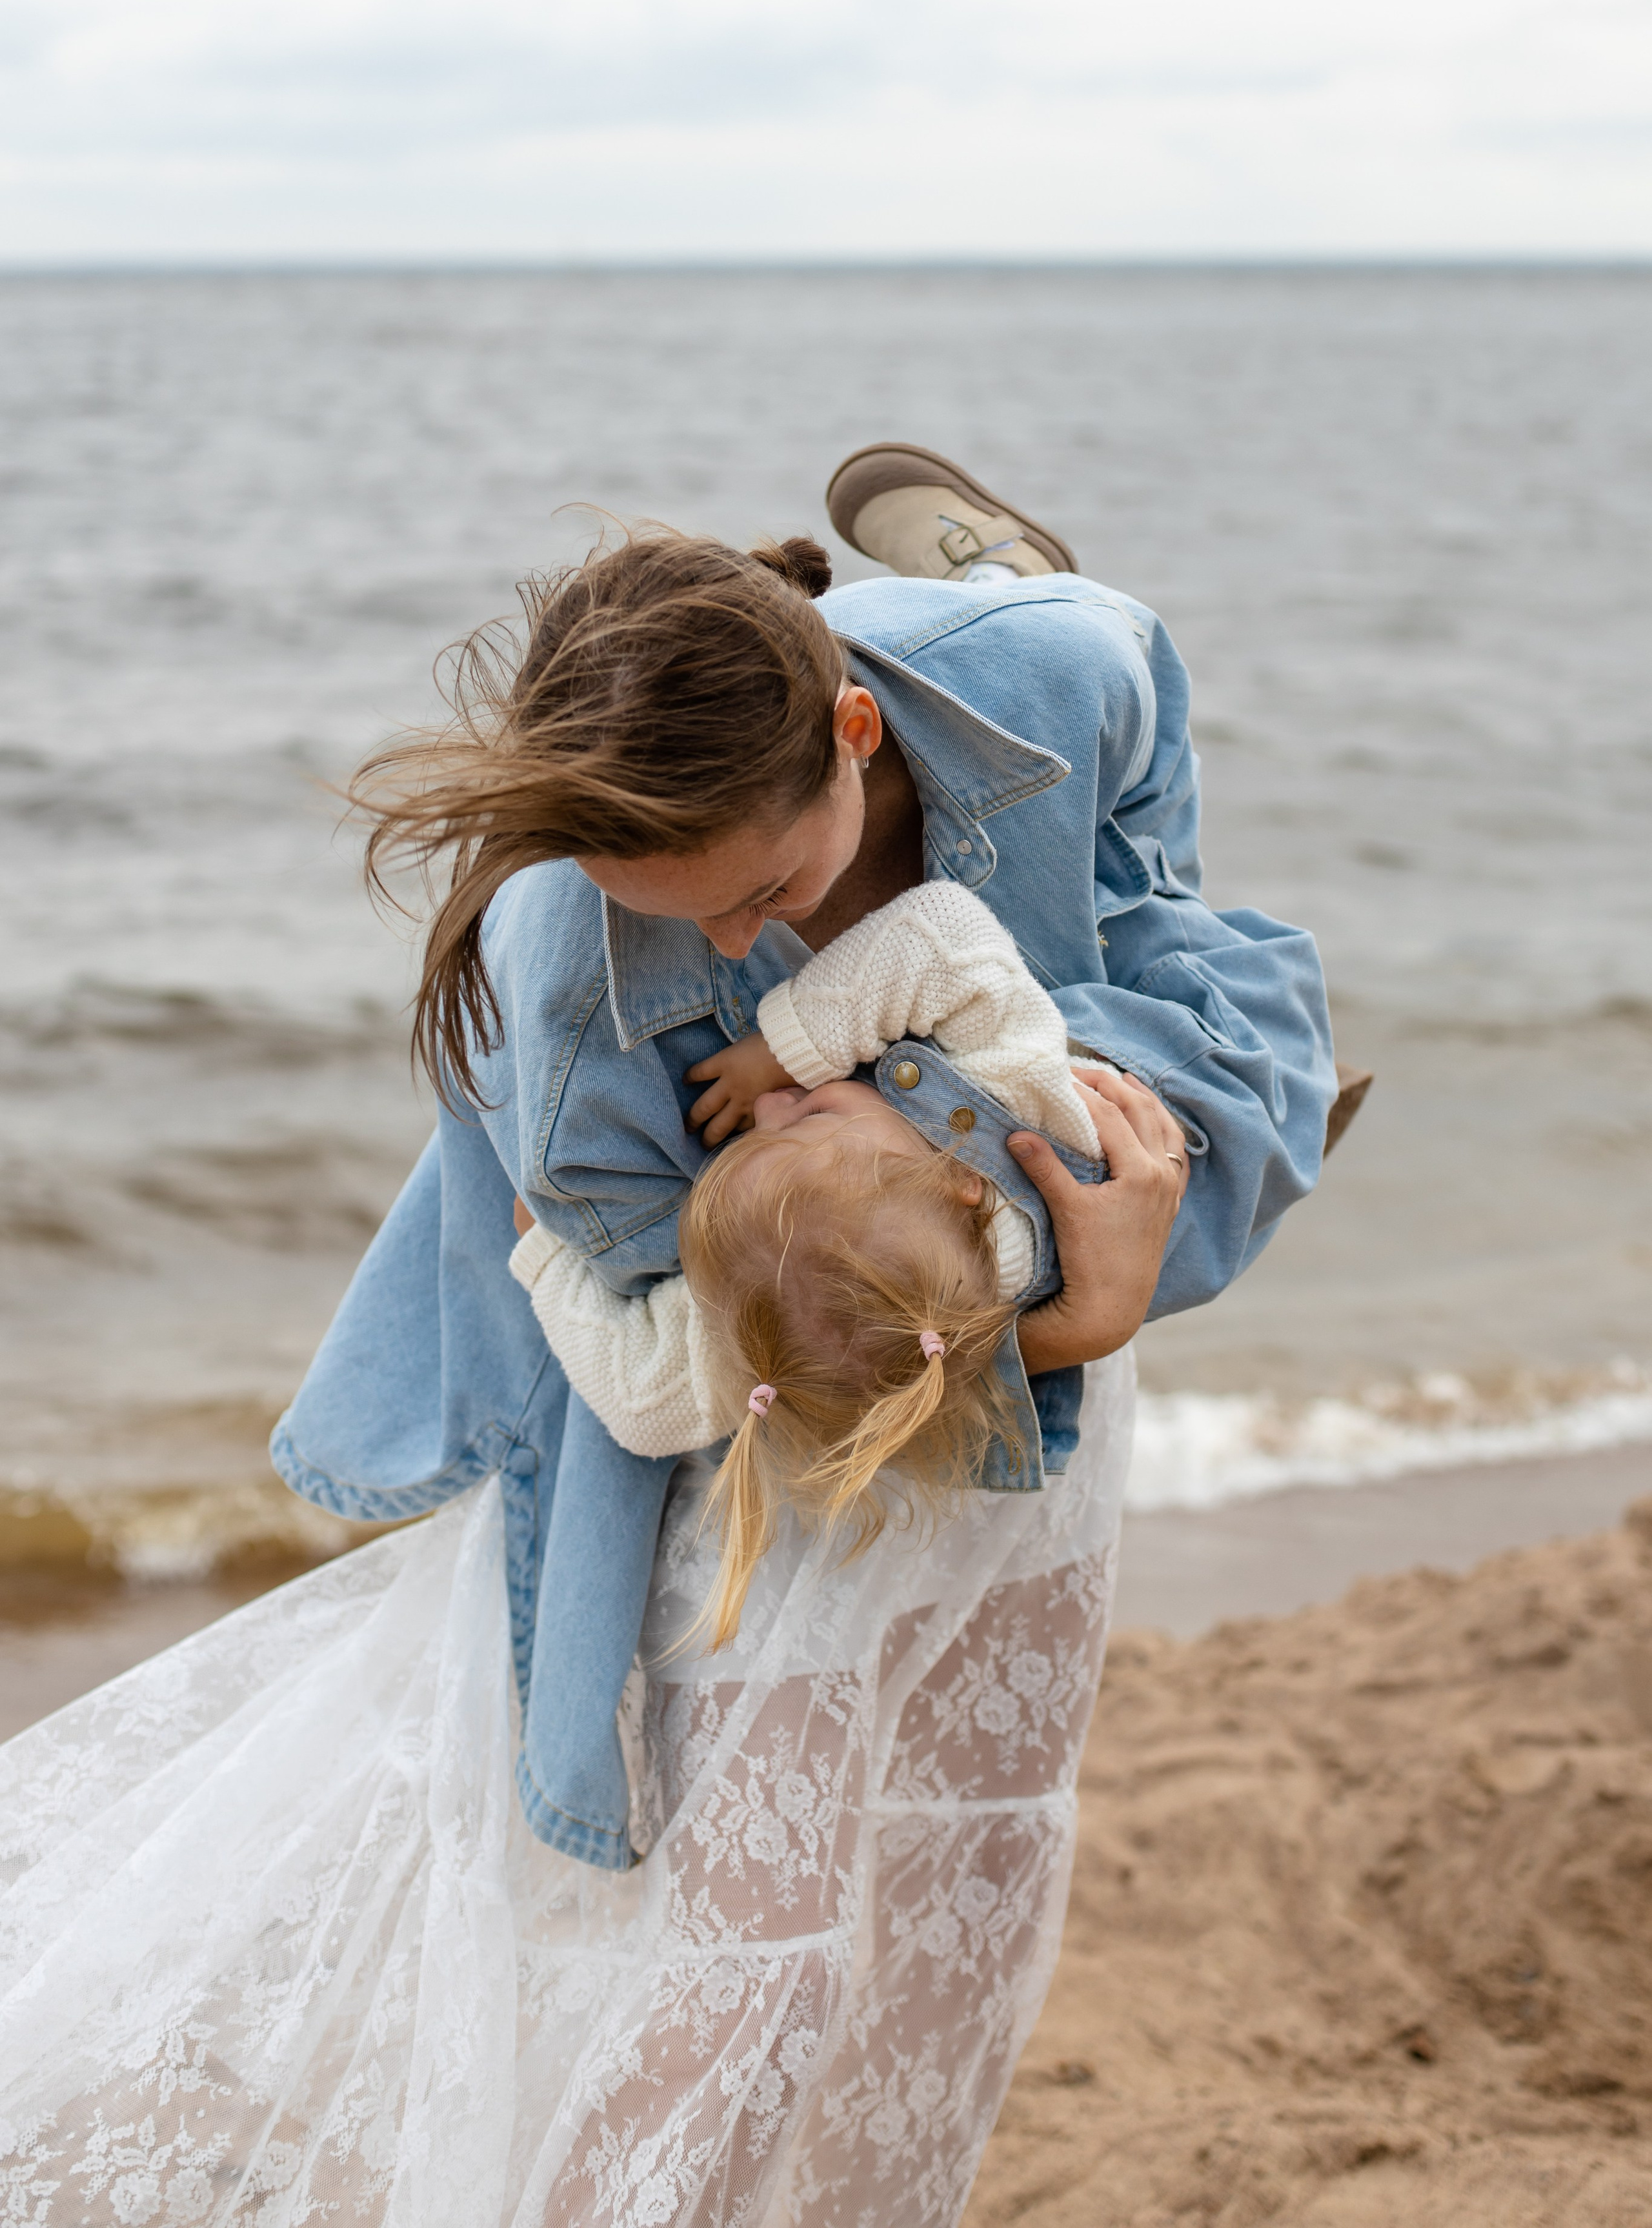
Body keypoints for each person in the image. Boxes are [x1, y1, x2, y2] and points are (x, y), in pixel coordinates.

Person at [0, 448, 1336, 2227]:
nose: (733, 943)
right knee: (744, 1944)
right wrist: (1031, 1278)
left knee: (971, 1839)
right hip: (780, 1341)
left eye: (765, 885)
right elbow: (696, 1359)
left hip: (970, 1250)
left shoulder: (1072, 676)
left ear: (857, 734)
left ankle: (986, 576)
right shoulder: (574, 1009)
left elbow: (1172, 922)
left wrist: (1073, 1260)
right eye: (682, 916)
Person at [505, 876, 1189, 1649]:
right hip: (1168, 1100)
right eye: (808, 1111)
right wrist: (783, 1050)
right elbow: (947, 932)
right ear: (966, 1180)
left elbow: (636, 1400)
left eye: (793, 1115)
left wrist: (547, 1262)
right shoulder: (1022, 1106)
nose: (769, 1106)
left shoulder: (768, 1324)